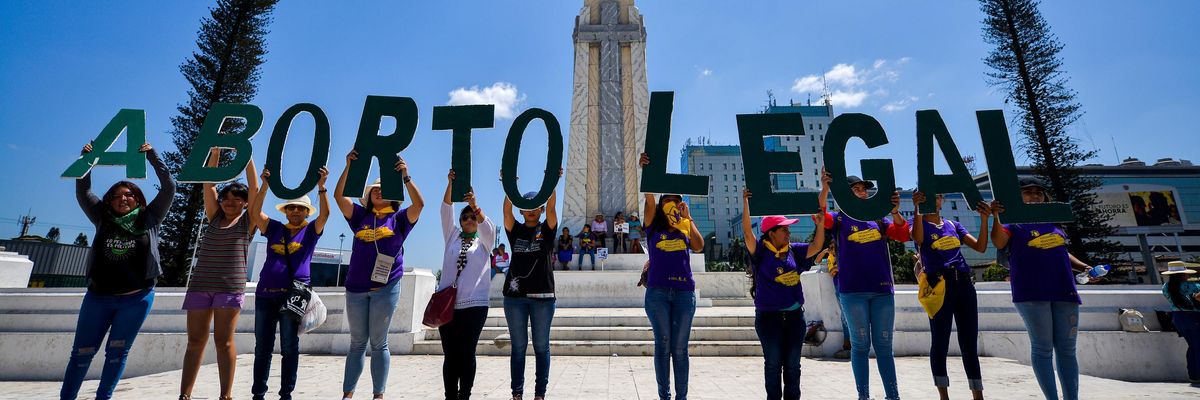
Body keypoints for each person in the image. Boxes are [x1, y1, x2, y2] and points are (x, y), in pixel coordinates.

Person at [61, 142, 175, 400]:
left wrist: (153, 157)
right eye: (116, 195)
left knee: (117, 353)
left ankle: (105, 397)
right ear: (109, 201)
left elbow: (170, 187)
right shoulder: (102, 217)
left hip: (136, 299)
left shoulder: (150, 218)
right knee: (81, 353)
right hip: (98, 298)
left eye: (129, 194)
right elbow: (83, 189)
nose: (123, 199)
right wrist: (86, 160)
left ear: (138, 199)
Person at [990, 178, 1098, 400]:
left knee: (1067, 350)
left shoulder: (1053, 223)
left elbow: (1060, 250)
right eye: (1028, 192)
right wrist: (995, 217)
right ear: (1017, 197)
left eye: (1039, 192)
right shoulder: (1013, 223)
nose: (1035, 196)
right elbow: (999, 242)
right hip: (1031, 291)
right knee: (1043, 348)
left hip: (1064, 289)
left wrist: (1084, 267)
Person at [334, 150, 425, 400]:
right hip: (355, 288)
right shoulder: (360, 217)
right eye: (375, 189)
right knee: (356, 344)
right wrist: (348, 168)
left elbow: (419, 205)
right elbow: (339, 196)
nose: (379, 192)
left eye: (384, 189)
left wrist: (406, 177)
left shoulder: (400, 218)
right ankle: (348, 394)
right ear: (368, 196)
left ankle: (378, 395)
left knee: (379, 343)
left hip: (386, 288)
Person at [817, 170, 910, 400]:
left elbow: (903, 234)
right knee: (860, 346)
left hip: (882, 291)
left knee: (884, 346)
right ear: (846, 195)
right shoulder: (839, 219)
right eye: (856, 189)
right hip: (852, 291)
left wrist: (896, 212)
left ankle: (893, 396)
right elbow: (821, 214)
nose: (862, 192)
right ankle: (864, 396)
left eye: (864, 189)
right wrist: (825, 188)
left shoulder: (879, 218)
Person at [179, 149, 259, 400]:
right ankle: (185, 395)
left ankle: (226, 395)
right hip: (200, 285)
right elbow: (209, 183)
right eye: (226, 198)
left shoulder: (249, 222)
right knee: (195, 342)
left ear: (245, 203)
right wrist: (214, 152)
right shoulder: (213, 217)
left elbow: (255, 188)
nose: (230, 202)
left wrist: (247, 158)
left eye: (237, 199)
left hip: (230, 288)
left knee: (223, 342)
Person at [247, 167, 331, 400]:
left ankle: (286, 394)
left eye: (300, 208)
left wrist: (322, 187)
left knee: (289, 347)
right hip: (265, 294)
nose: (295, 211)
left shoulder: (311, 231)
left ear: (306, 212)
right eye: (291, 207)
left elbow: (324, 215)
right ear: (285, 211)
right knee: (262, 348)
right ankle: (258, 394)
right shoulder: (273, 228)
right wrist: (265, 185)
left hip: (294, 295)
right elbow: (255, 213)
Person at [741, 188, 825, 400]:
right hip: (769, 319)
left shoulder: (794, 250)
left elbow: (816, 245)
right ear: (771, 233)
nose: (788, 233)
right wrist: (745, 202)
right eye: (784, 229)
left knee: (793, 367)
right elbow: (747, 234)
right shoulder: (760, 251)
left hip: (796, 318)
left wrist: (821, 224)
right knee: (773, 365)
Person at [910, 192, 991, 400]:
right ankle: (943, 395)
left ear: (941, 200)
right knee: (940, 340)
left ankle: (977, 394)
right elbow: (917, 238)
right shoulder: (918, 222)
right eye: (929, 195)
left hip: (963, 282)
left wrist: (984, 220)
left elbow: (980, 247)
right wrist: (917, 208)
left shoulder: (953, 225)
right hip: (939, 284)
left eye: (937, 196)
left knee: (969, 340)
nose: (934, 199)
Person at [639, 153, 705, 400]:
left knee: (680, 348)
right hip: (657, 292)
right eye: (667, 199)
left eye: (675, 200)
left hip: (684, 293)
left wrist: (688, 218)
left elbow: (698, 246)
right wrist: (646, 172)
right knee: (663, 344)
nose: (671, 203)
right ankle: (664, 396)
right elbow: (648, 200)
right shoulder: (653, 225)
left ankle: (682, 397)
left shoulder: (685, 227)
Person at [501, 169, 561, 400]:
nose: (531, 210)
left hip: (543, 297)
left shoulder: (546, 230)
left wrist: (552, 182)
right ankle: (517, 394)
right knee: (518, 349)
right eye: (526, 205)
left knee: (541, 347)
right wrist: (509, 186)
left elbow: (554, 208)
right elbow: (506, 211)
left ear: (541, 209)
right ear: (521, 209)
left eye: (536, 205)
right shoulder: (515, 230)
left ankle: (539, 394)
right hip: (514, 298)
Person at [436, 170, 495, 400]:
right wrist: (450, 182)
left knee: (467, 353)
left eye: (472, 217)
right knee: (450, 355)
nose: (469, 220)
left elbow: (488, 228)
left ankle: (465, 396)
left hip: (474, 306)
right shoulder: (452, 237)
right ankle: (450, 396)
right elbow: (445, 211)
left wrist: (475, 204)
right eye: (465, 217)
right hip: (447, 307)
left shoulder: (484, 243)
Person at [1162, 262, 1200, 385]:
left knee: (1193, 347)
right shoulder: (1193, 286)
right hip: (1194, 317)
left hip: (1178, 318)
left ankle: (1193, 375)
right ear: (1183, 274)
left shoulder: (1166, 287)